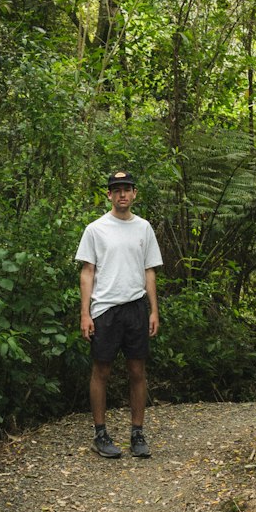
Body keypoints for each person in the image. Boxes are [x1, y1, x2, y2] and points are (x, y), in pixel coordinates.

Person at [76, 168, 163, 458]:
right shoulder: (96, 229)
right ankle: (100, 434)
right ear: (109, 194)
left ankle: (137, 433)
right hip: (105, 310)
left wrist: (154, 311)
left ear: (134, 193)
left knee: (137, 370)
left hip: (136, 307)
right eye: (116, 189)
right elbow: (87, 272)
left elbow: (149, 271)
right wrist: (85, 314)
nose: (122, 194)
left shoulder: (144, 228)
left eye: (127, 189)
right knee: (102, 370)